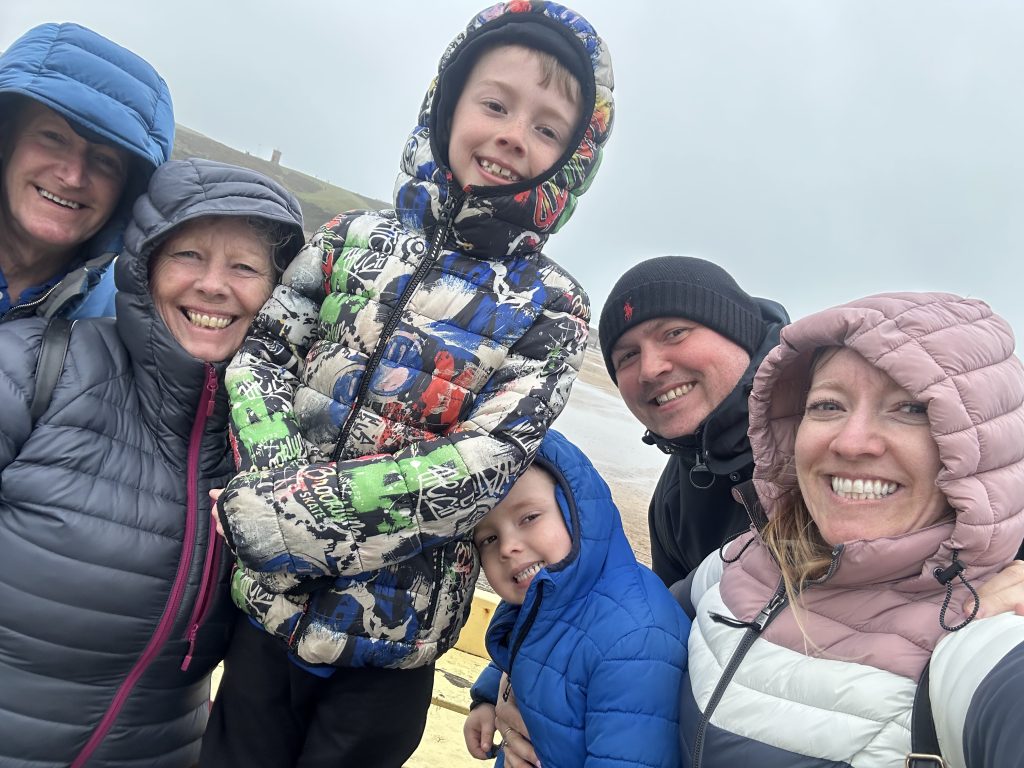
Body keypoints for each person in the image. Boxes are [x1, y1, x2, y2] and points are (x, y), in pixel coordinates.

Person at [200, 2, 615, 766]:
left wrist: (303, 519)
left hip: (395, 646)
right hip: (267, 615)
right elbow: (262, 353)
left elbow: (487, 461)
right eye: (495, 103)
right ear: (447, 101)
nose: (513, 135)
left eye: (548, 128)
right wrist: (275, 472)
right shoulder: (350, 240)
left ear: (573, 160)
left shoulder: (553, 307)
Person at [0, 157, 304, 767]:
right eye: (189, 255)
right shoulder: (35, 368)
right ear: (144, 267)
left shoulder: (284, 444)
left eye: (245, 267)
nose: (215, 286)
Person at [682, 291, 1024, 767]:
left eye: (912, 409)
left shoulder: (983, 635)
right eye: (827, 406)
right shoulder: (741, 565)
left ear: (981, 451)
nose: (852, 442)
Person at [463, 430, 689, 767]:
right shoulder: (546, 595)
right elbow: (529, 643)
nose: (508, 547)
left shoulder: (635, 642)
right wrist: (486, 700)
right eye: (489, 538)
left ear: (577, 510)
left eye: (529, 517)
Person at [0, 21, 174, 322]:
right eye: (53, 138)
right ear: (6, 139)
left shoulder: (123, 326)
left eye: (105, 160)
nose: (73, 177)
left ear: (128, 193)